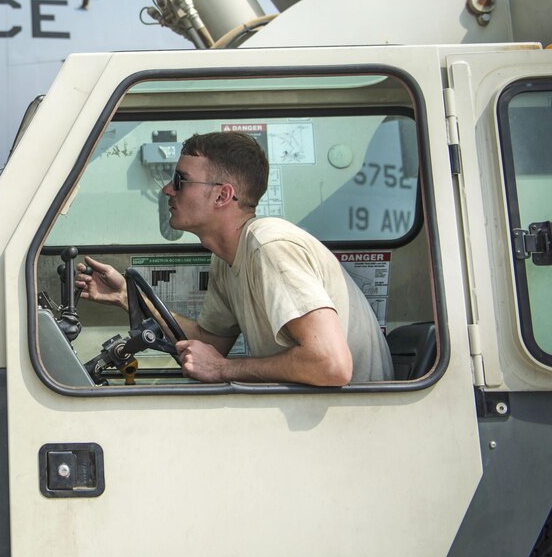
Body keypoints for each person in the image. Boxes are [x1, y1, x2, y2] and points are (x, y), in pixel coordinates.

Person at [76, 131, 393, 386]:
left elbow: (331, 365)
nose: (168, 191)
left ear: (222, 195)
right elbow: (209, 345)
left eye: (181, 180)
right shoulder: (228, 258)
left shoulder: (270, 246)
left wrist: (224, 370)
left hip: (350, 428)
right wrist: (127, 297)